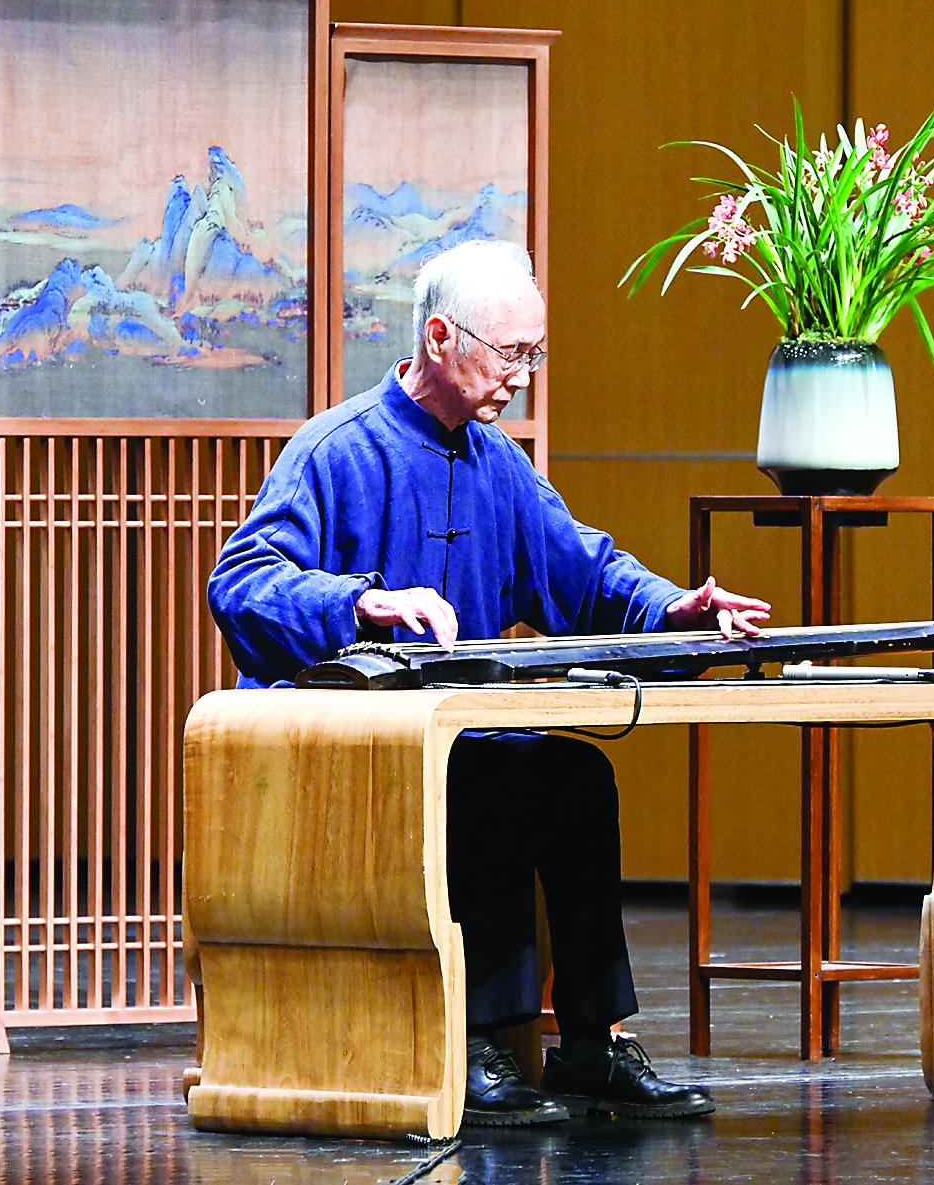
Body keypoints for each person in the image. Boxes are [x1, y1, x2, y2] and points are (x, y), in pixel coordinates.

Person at [208, 238, 770, 1126]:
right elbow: (241, 582)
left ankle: (590, 1041)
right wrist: (361, 602)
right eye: (510, 352)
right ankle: (471, 1042)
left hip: (456, 735)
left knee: (573, 775)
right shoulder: (335, 449)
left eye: (533, 354)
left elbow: (584, 571)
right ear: (439, 336)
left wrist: (674, 608)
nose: (523, 376)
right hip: (350, 750)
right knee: (483, 781)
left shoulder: (496, 461)